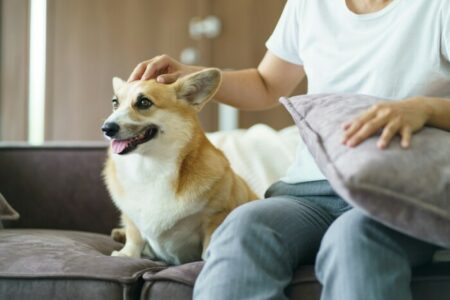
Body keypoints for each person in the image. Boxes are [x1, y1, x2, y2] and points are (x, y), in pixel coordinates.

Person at [128, 0, 450, 299]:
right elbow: (266, 84)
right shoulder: (308, 5)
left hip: (394, 195)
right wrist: (187, 74)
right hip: (308, 195)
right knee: (243, 227)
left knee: (353, 240)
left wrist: (425, 109)